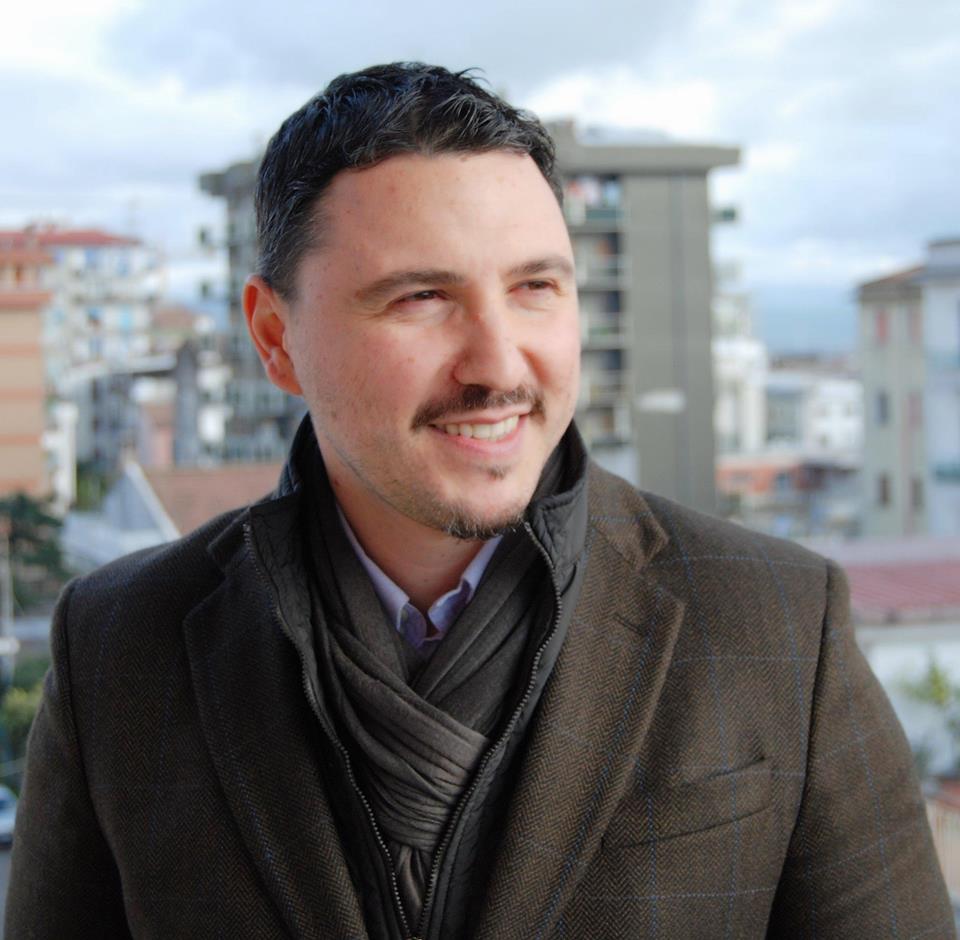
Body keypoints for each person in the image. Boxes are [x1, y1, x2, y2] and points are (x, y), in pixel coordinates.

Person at [6, 63, 954, 940]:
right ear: (275, 337)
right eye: (421, 298)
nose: (499, 365)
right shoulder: (122, 646)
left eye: (536, 286)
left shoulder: (775, 622)